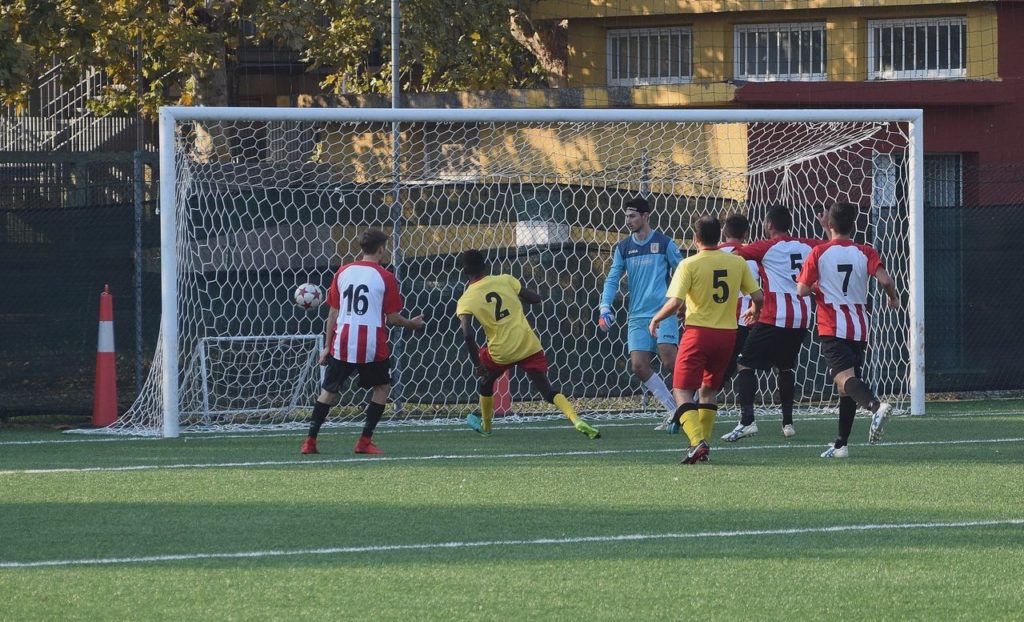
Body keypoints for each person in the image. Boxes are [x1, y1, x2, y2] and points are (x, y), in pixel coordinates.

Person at [300, 229, 425, 456]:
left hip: (343, 341)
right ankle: (364, 441)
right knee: (382, 388)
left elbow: (333, 313)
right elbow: (394, 319)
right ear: (381, 249)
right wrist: (412, 324)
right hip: (372, 344)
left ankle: (309, 441)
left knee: (328, 391)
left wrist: (328, 346)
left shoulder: (343, 271)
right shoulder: (386, 277)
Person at [649, 216, 762, 464]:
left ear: (696, 238)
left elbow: (676, 302)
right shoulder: (736, 262)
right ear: (718, 236)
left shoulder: (689, 264)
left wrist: (656, 318)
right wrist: (754, 310)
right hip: (727, 335)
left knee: (681, 389)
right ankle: (704, 447)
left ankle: (696, 441)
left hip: (698, 333)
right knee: (708, 390)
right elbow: (758, 295)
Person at [456, 249, 600, 440]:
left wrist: (477, 365)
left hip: (502, 350)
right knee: (548, 391)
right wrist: (515, 297)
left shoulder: (466, 299)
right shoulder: (505, 280)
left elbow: (467, 335)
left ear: (464, 271)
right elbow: (536, 299)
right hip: (528, 344)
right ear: (485, 266)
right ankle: (575, 419)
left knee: (486, 382)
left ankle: (487, 427)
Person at [796, 202, 899, 458]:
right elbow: (886, 280)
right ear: (852, 225)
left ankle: (876, 407)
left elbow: (801, 290)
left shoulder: (819, 253)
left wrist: (819, 288)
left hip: (832, 326)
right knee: (846, 387)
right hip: (859, 327)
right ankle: (841, 445)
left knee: (843, 379)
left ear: (830, 224)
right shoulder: (865, 252)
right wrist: (892, 298)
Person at [721, 205, 826, 442]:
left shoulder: (765, 247)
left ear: (769, 225)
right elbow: (831, 247)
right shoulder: (807, 244)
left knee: (744, 364)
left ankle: (747, 421)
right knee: (786, 367)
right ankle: (788, 423)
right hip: (801, 317)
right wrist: (826, 226)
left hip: (774, 317)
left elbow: (734, 252)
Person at [598, 197, 683, 431]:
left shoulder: (665, 243)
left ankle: (688, 407)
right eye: (626, 216)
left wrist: (683, 302)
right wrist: (605, 306)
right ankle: (674, 410)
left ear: (646, 216)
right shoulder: (623, 248)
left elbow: (684, 271)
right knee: (639, 366)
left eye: (633, 216)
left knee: (669, 360)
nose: (628, 220)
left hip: (664, 312)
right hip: (637, 316)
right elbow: (613, 278)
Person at [717, 213, 761, 384]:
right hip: (743, 322)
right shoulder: (754, 256)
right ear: (745, 234)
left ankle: (693, 404)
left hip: (714, 322)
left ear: (723, 231)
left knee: (713, 371)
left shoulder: (710, 253)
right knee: (745, 365)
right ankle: (747, 411)